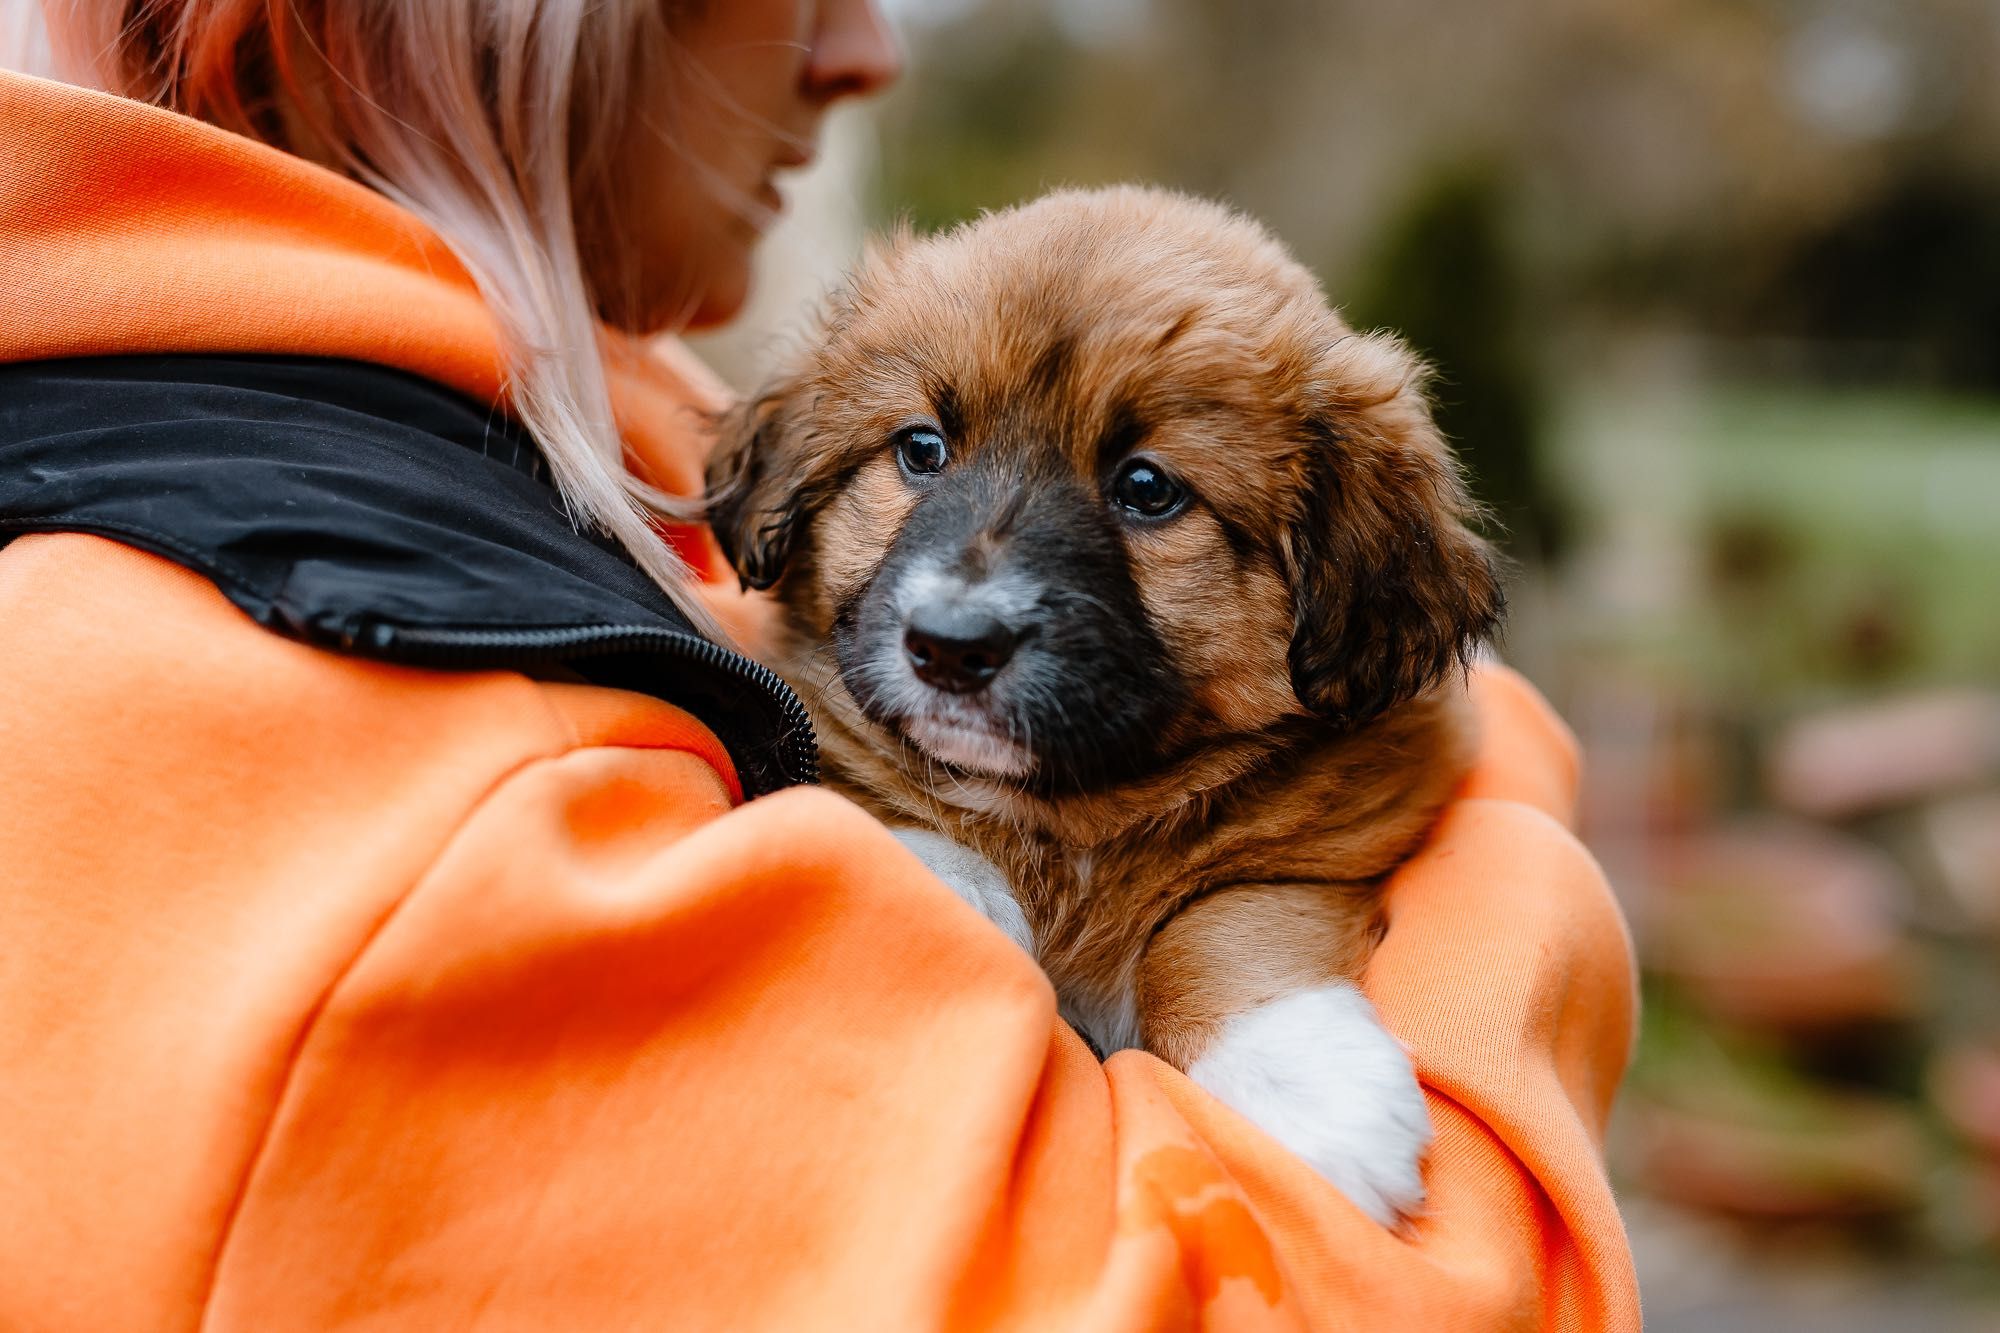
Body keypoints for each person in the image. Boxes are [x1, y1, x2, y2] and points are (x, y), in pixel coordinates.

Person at [0, 2, 1641, 1327]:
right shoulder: (382, 735)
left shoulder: (541, 443)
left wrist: (1289, 901)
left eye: (1149, 496)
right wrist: (1512, 869)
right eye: (919, 453)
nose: (869, 47)